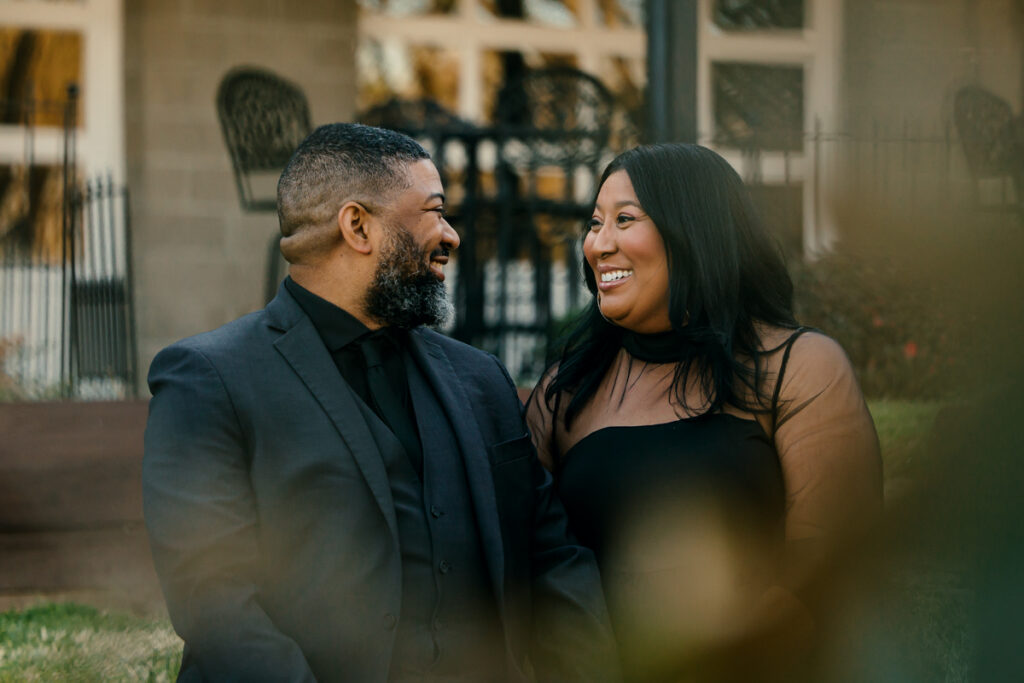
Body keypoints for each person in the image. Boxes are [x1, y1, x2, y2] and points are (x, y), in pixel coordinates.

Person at [143, 123, 620, 683]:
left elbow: (551, 558)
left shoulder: (480, 378)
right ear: (357, 226)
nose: (452, 235)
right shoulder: (207, 380)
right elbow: (214, 600)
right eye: (434, 212)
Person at [526, 143, 883, 682]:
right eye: (594, 224)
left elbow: (824, 573)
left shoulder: (798, 366)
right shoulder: (567, 387)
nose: (598, 244)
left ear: (694, 229)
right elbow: (523, 561)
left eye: (625, 219)